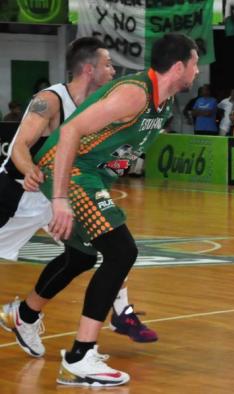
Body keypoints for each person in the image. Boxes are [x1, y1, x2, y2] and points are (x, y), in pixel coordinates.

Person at [9, 33, 197, 386]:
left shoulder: (165, 104)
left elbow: (125, 153)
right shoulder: (134, 93)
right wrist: (63, 197)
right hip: (70, 170)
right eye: (195, 64)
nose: (198, 71)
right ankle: (80, 356)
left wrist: (108, 183)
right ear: (178, 67)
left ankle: (25, 314)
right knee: (121, 251)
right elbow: (70, 132)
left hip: (91, 175)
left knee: (80, 256)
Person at [0, 37, 157, 362]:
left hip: (62, 196)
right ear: (89, 69)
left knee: (90, 254)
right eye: (108, 65)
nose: (114, 70)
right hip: (20, 194)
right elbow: (19, 145)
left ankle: (26, 315)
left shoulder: (108, 108)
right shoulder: (51, 99)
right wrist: (30, 170)